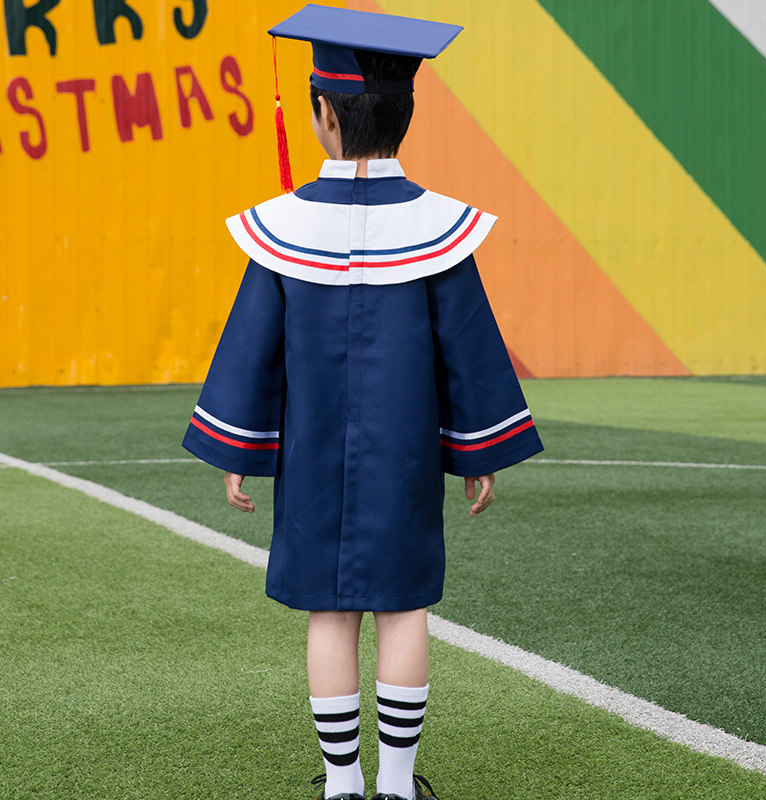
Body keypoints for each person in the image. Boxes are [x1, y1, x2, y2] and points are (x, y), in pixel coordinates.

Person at [182, 5, 544, 799]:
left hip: (311, 458)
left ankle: (342, 784)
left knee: (330, 612)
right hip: (404, 458)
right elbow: (469, 351)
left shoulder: (282, 230)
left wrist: (239, 451)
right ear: (404, 114)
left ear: (323, 114)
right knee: (404, 608)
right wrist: (477, 453)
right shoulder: (437, 230)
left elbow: (251, 350)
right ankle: (398, 785)